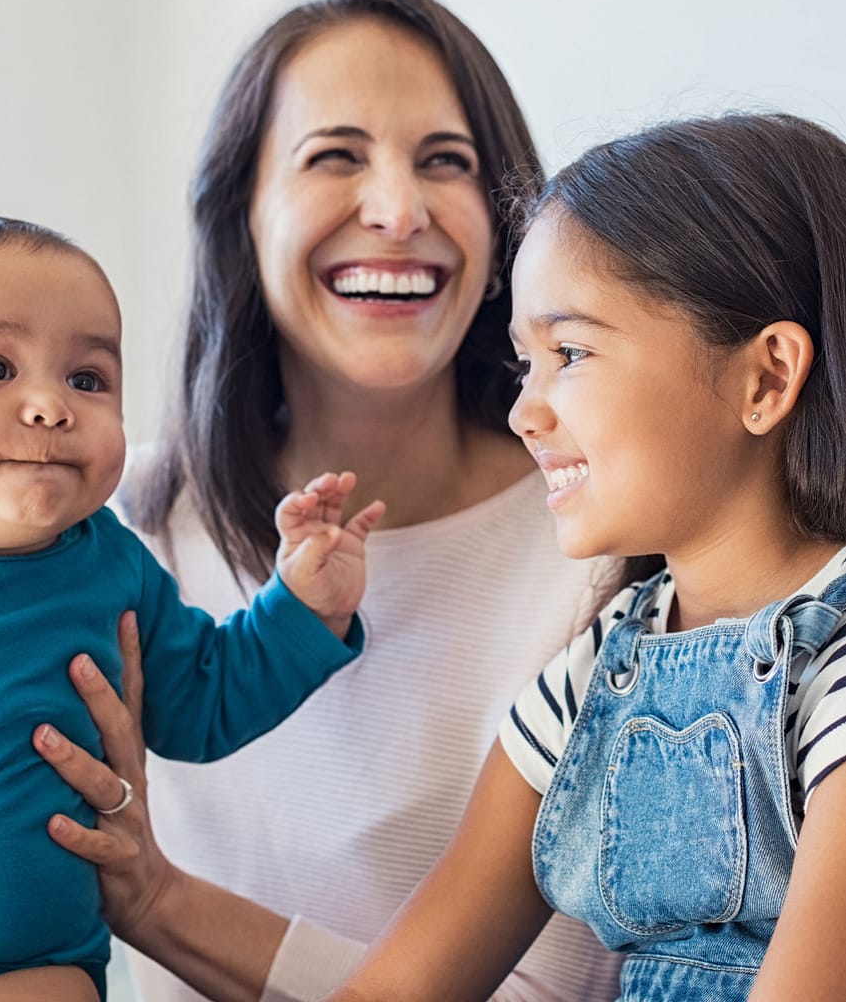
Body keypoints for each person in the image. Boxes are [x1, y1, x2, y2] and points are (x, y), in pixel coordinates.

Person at [48, 0, 631, 1001]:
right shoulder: (112, 528)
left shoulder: (603, 548)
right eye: (335, 156)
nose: (399, 210)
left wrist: (165, 905)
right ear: (243, 215)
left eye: (445, 162)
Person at [280, 111, 846, 1000]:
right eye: (522, 365)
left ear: (765, 377)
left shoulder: (833, 678)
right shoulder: (594, 678)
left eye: (569, 352)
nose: (523, 413)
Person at [0, 215, 383, 1002]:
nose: (50, 405)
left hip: (19, 965)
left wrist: (303, 610)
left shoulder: (113, 564)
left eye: (88, 379)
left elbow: (201, 702)